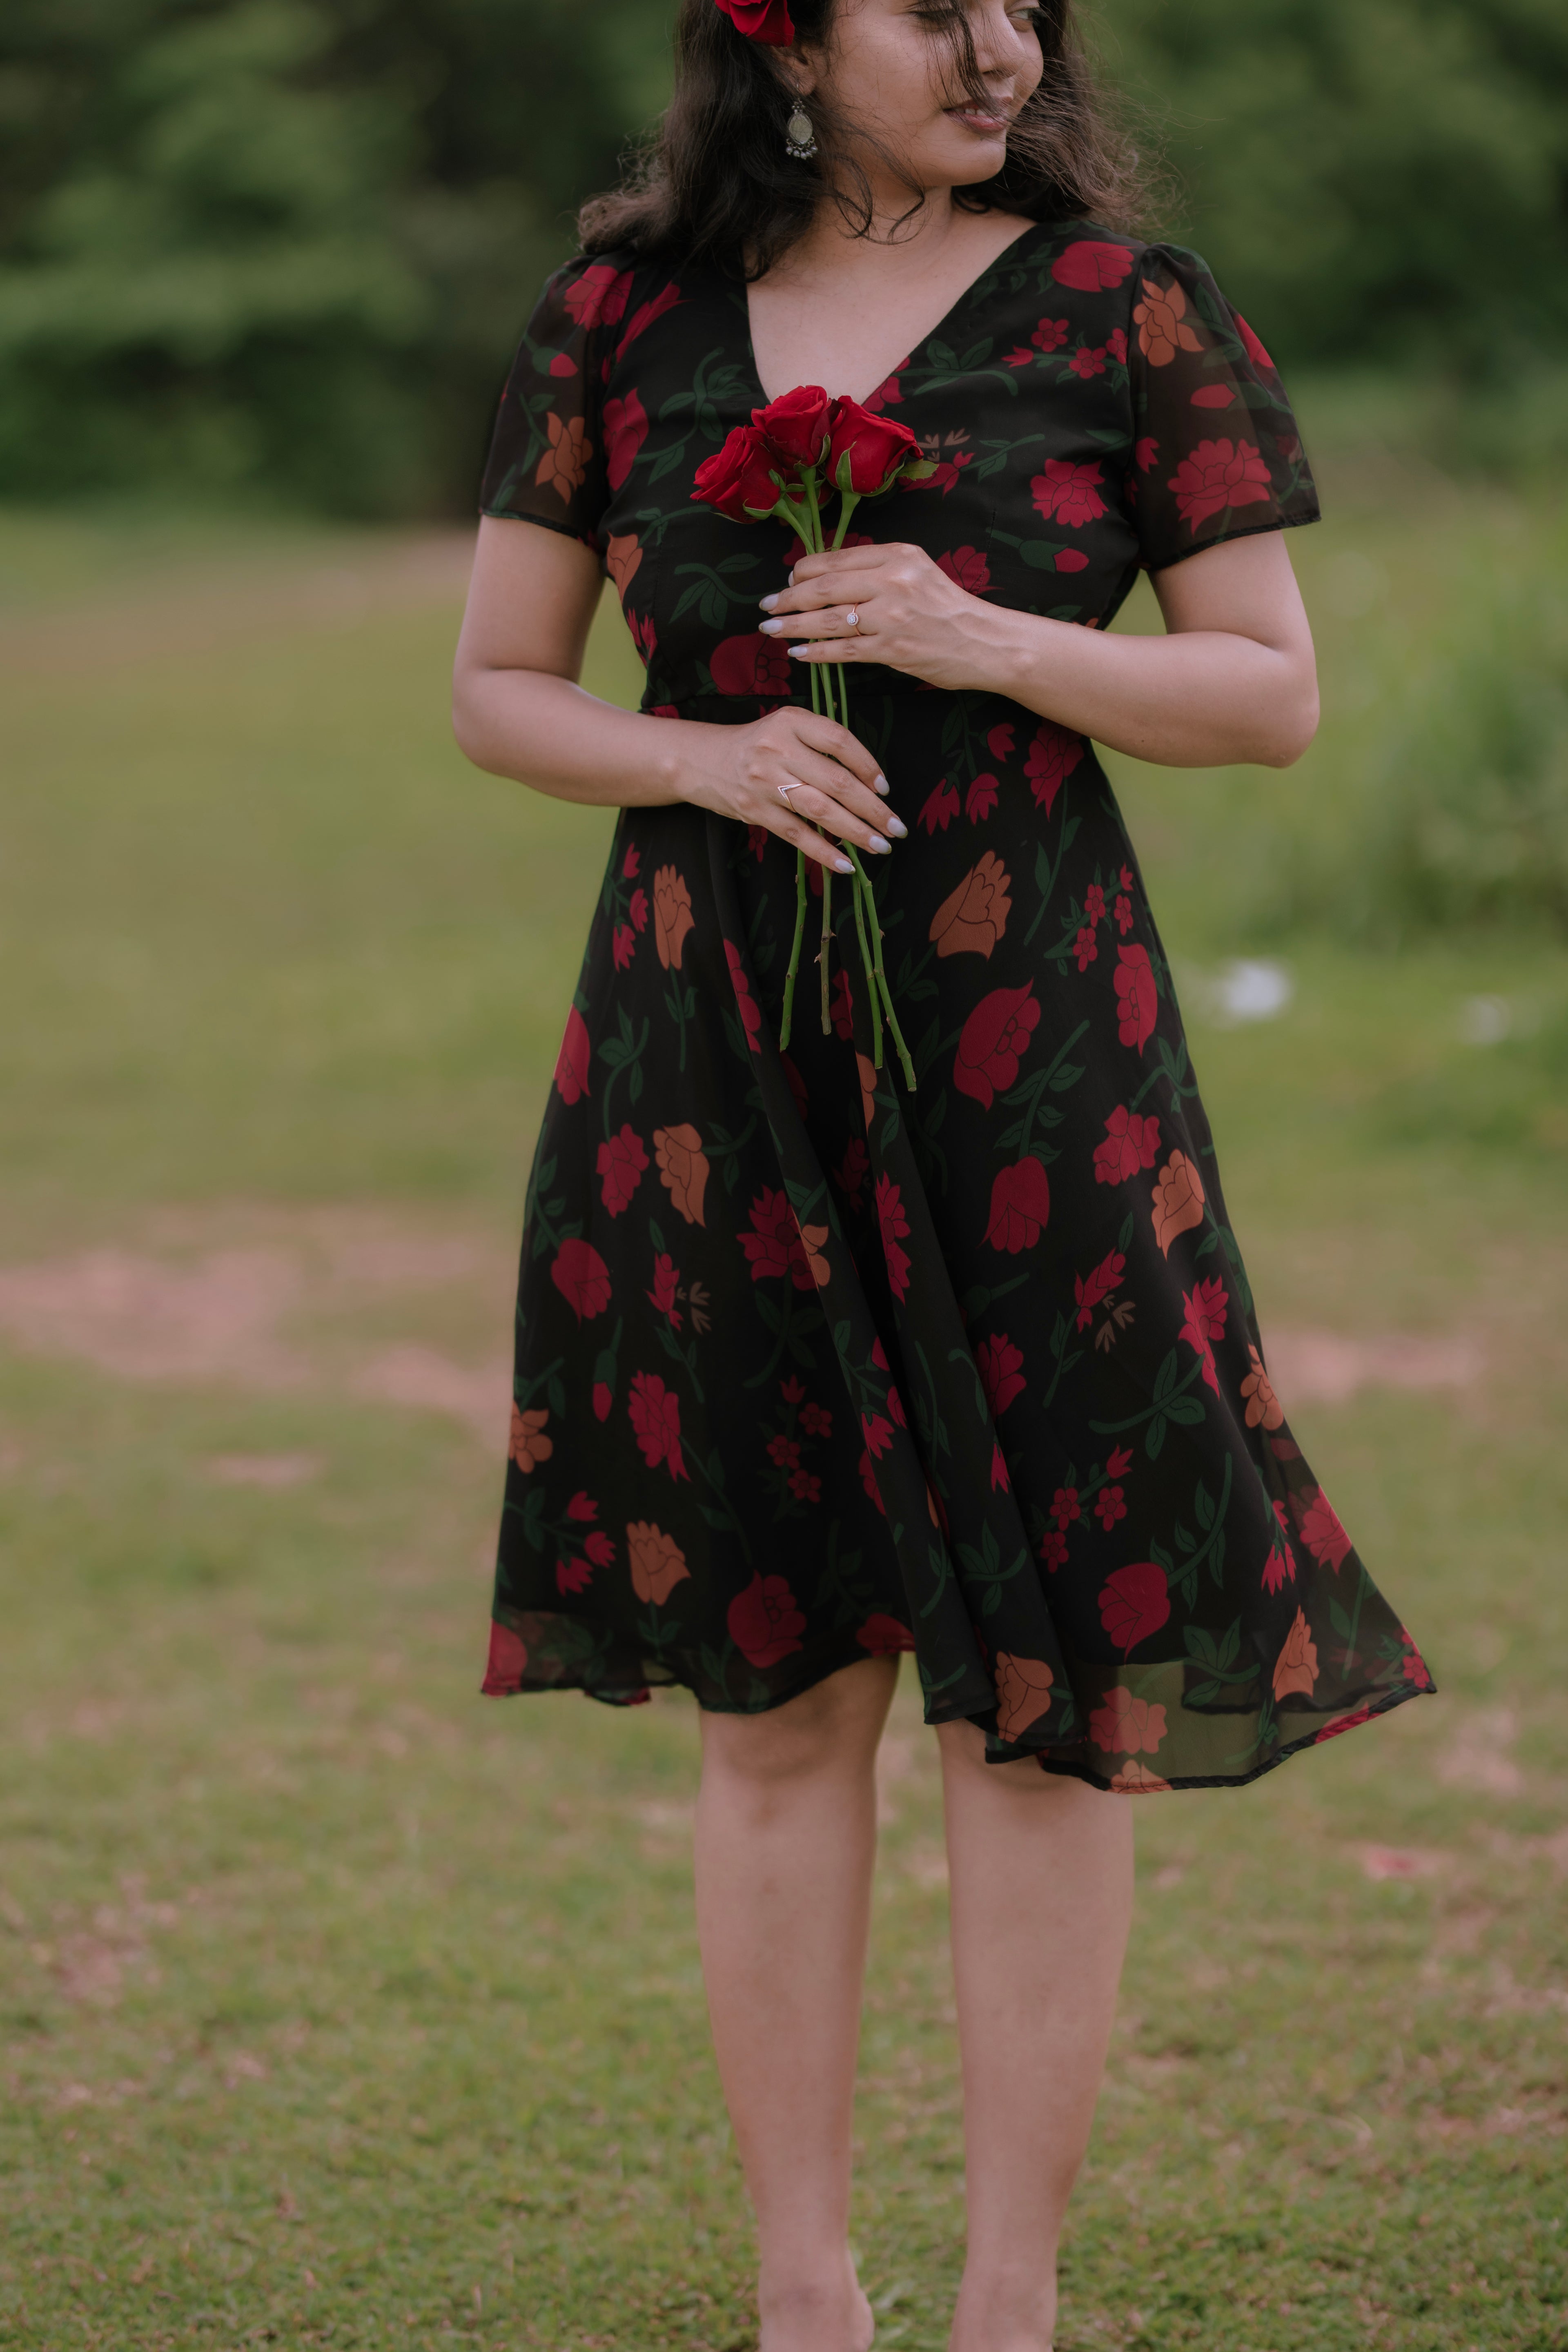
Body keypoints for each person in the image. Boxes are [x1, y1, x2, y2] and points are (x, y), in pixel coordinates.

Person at [451, 2, 1434, 2345]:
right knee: (778, 1704)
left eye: (1028, 4)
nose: (1000, 42)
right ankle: (808, 2296)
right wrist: (696, 766)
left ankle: (1011, 2304)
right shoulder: (618, 321)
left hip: (1034, 1062)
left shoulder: (1127, 311)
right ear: (779, 36)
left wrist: (975, 633)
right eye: (934, 2)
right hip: (710, 1065)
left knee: (1046, 1695)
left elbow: (1269, 692)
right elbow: (500, 683)